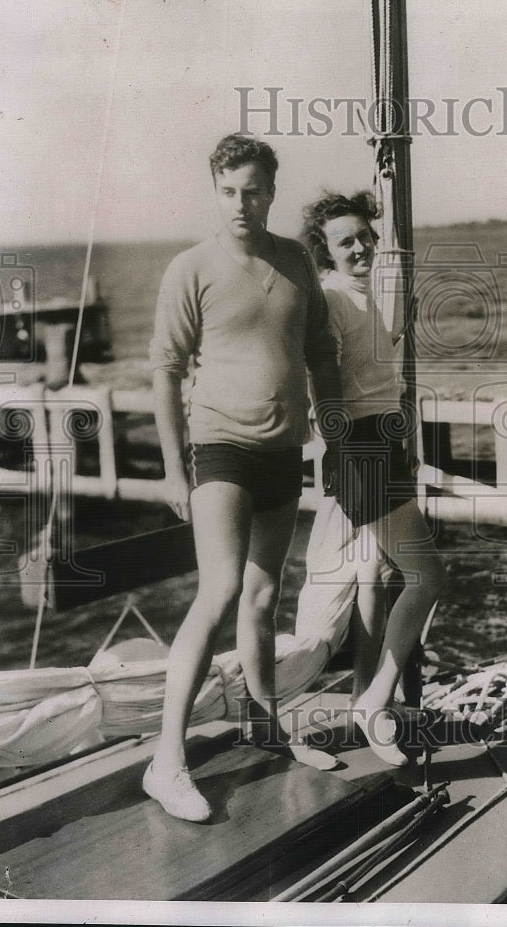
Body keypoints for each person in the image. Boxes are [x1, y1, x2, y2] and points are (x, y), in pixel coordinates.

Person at [144, 134, 342, 821]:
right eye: (229, 191)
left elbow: (319, 351)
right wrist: (174, 470)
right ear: (214, 190)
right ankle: (165, 761)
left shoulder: (293, 260)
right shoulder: (190, 268)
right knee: (222, 588)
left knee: (262, 599)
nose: (241, 203)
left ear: (271, 192)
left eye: (253, 190)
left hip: (282, 454)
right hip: (220, 448)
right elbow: (164, 371)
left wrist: (336, 432)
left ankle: (268, 728)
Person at [301, 190, 448, 767]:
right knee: (427, 576)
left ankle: (372, 698)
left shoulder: (369, 296)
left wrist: (395, 329)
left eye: (365, 236)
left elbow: (375, 364)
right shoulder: (332, 299)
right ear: (327, 251)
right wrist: (350, 458)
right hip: (361, 449)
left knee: (388, 570)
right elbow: (324, 389)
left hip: (384, 442)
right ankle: (375, 702)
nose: (359, 247)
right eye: (345, 242)